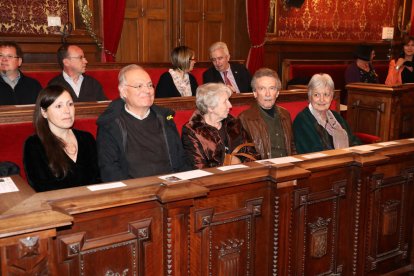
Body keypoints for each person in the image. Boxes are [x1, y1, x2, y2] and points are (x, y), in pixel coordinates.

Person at [96, 64, 190, 182]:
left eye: (150, 85)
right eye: (139, 86)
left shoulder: (165, 119)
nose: (147, 90)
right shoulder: (110, 124)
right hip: (134, 192)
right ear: (124, 91)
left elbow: (181, 159)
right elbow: (110, 170)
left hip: (170, 186)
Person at [23, 85, 100, 192]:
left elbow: (98, 178)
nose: (67, 111)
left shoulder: (87, 139)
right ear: (44, 112)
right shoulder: (34, 145)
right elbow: (41, 187)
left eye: (70, 104)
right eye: (59, 106)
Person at [181, 83, 257, 168]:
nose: (230, 105)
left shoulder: (233, 123)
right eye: (225, 102)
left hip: (242, 175)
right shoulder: (193, 130)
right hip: (214, 179)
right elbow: (198, 167)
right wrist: (228, 163)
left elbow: (252, 153)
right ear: (210, 107)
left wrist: (241, 166)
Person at [293, 73, 361, 154]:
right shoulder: (302, 120)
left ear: (331, 97)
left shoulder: (336, 117)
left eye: (326, 94)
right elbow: (314, 152)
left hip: (344, 162)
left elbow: (353, 141)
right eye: (316, 95)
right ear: (309, 96)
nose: (322, 99)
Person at [239, 68, 296, 159]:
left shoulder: (285, 114)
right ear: (255, 93)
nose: (267, 94)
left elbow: (293, 147)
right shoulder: (244, 118)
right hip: (264, 169)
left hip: (288, 167)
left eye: (272, 88)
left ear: (277, 93)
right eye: (262, 89)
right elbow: (245, 156)